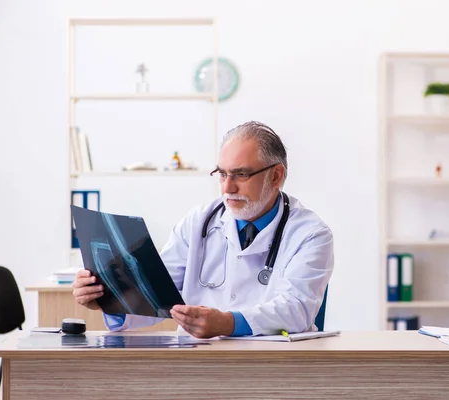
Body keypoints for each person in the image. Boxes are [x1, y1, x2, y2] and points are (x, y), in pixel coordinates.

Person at [72, 121, 334, 338]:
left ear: (276, 176)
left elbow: (297, 308)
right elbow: (159, 295)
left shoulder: (310, 234)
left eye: (241, 175)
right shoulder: (199, 221)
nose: (227, 188)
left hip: (271, 366)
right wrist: (110, 301)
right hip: (196, 363)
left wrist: (228, 323)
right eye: (222, 174)